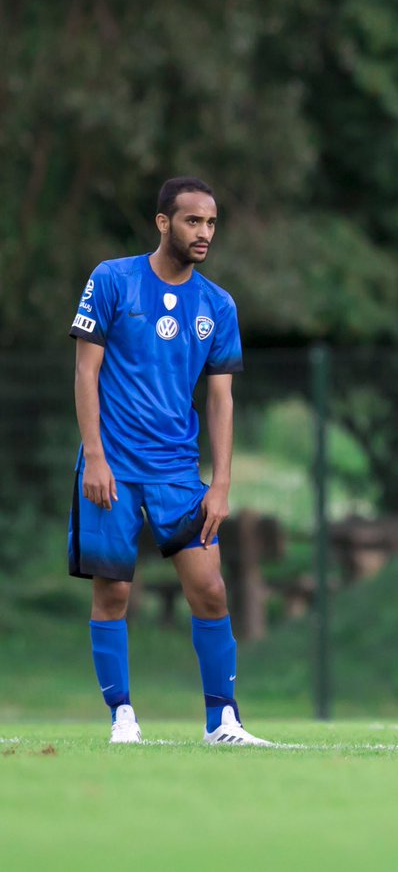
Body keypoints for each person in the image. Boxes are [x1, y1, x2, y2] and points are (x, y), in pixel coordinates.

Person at [68, 176, 271, 745]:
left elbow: (221, 397)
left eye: (210, 223)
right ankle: (122, 717)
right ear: (163, 222)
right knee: (113, 592)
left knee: (210, 589)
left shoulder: (218, 304)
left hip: (178, 473)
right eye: (192, 221)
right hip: (113, 467)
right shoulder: (112, 280)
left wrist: (221, 483)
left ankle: (223, 720)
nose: (204, 232)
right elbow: (86, 371)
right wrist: (95, 457)